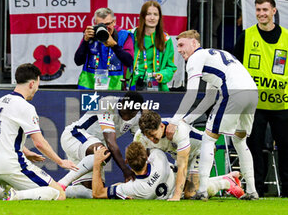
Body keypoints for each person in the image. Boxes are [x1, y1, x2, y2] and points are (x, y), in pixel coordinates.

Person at [0, 63, 78, 201]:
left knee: (19, 187)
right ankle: (16, 196)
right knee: (59, 194)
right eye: (37, 85)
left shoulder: (0, 102)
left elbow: (4, 135)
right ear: (32, 84)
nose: (37, 89)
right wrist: (60, 162)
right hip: (12, 165)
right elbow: (39, 143)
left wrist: (27, 152)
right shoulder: (25, 107)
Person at [167, 30, 258, 200]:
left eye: (182, 45)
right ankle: (252, 191)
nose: (179, 50)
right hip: (252, 93)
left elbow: (192, 93)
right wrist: (186, 120)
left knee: (209, 138)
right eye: (177, 45)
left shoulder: (195, 58)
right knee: (240, 140)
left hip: (234, 92)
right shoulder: (215, 56)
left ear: (194, 43)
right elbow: (209, 99)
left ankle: (201, 191)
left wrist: (174, 121)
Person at [233, 0, 288, 198]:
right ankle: (255, 190)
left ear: (274, 11)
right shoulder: (246, 37)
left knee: (286, 149)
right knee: (253, 148)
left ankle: (287, 192)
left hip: (282, 105)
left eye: (265, 10)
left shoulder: (287, 38)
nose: (261, 14)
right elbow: (233, 67)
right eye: (258, 10)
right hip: (253, 105)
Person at [58, 91, 144, 198]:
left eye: (131, 114)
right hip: (75, 136)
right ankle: (63, 182)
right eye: (125, 111)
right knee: (105, 152)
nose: (127, 116)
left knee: (94, 192)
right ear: (121, 103)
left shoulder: (137, 117)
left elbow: (140, 142)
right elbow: (111, 143)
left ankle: (55, 190)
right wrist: (125, 170)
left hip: (91, 151)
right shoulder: (107, 104)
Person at [92, 142, 244, 200]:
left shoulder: (133, 188)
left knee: (194, 193)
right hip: (179, 182)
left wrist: (97, 164)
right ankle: (227, 178)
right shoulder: (158, 157)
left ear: (126, 162)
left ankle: (225, 183)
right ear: (146, 157)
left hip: (174, 192)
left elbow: (97, 193)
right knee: (192, 190)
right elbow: (153, 149)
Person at [74, 7, 134, 90]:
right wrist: (85, 41)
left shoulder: (123, 36)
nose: (105, 28)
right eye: (101, 25)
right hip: (89, 88)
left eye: (107, 24)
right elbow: (78, 61)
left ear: (114, 22)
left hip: (115, 89)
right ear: (95, 23)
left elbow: (129, 61)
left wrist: (114, 46)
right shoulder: (91, 35)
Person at [129, 0, 177, 91]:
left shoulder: (166, 39)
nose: (152, 18)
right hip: (133, 85)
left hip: (157, 87)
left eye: (155, 14)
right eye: (148, 14)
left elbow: (170, 66)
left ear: (159, 18)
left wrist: (162, 74)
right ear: (143, 16)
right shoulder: (131, 35)